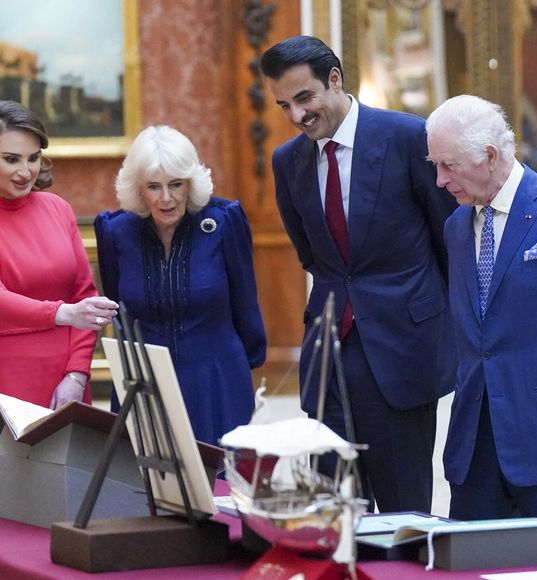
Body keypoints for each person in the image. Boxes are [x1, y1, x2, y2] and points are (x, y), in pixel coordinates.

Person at [259, 35, 457, 512]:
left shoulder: (408, 137)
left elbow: (448, 237)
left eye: (304, 99)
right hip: (328, 353)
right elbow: (313, 255)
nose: (296, 116)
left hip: (402, 348)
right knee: (330, 508)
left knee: (402, 509)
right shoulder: (287, 161)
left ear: (335, 79)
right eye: (284, 104)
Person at [426, 94, 537, 556]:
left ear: (490, 156)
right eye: (435, 165)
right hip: (474, 448)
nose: (439, 180)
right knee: (470, 566)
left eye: (448, 165)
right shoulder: (455, 227)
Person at [94, 125, 267, 446]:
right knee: (143, 486)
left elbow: (246, 302)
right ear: (138, 188)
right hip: (145, 379)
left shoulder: (224, 221)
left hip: (216, 377)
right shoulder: (115, 231)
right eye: (154, 186)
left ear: (191, 183)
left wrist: (248, 365)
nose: (166, 198)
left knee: (223, 486)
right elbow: (117, 306)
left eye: (176, 184)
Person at [0, 100, 118, 410]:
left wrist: (77, 375)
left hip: (66, 385)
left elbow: (84, 296)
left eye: (34, 158)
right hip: (6, 380)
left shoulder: (57, 208)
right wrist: (61, 313)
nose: (26, 172)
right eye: (11, 159)